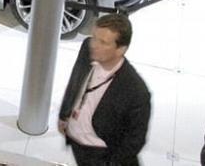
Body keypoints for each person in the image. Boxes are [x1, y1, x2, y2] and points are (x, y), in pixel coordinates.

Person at [58, 14, 151, 166]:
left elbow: (135, 141)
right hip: (76, 141)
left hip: (99, 154)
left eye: (103, 42)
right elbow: (75, 80)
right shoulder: (87, 48)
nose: (94, 45)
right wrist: (64, 114)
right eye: (94, 37)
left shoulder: (136, 92)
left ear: (121, 49)